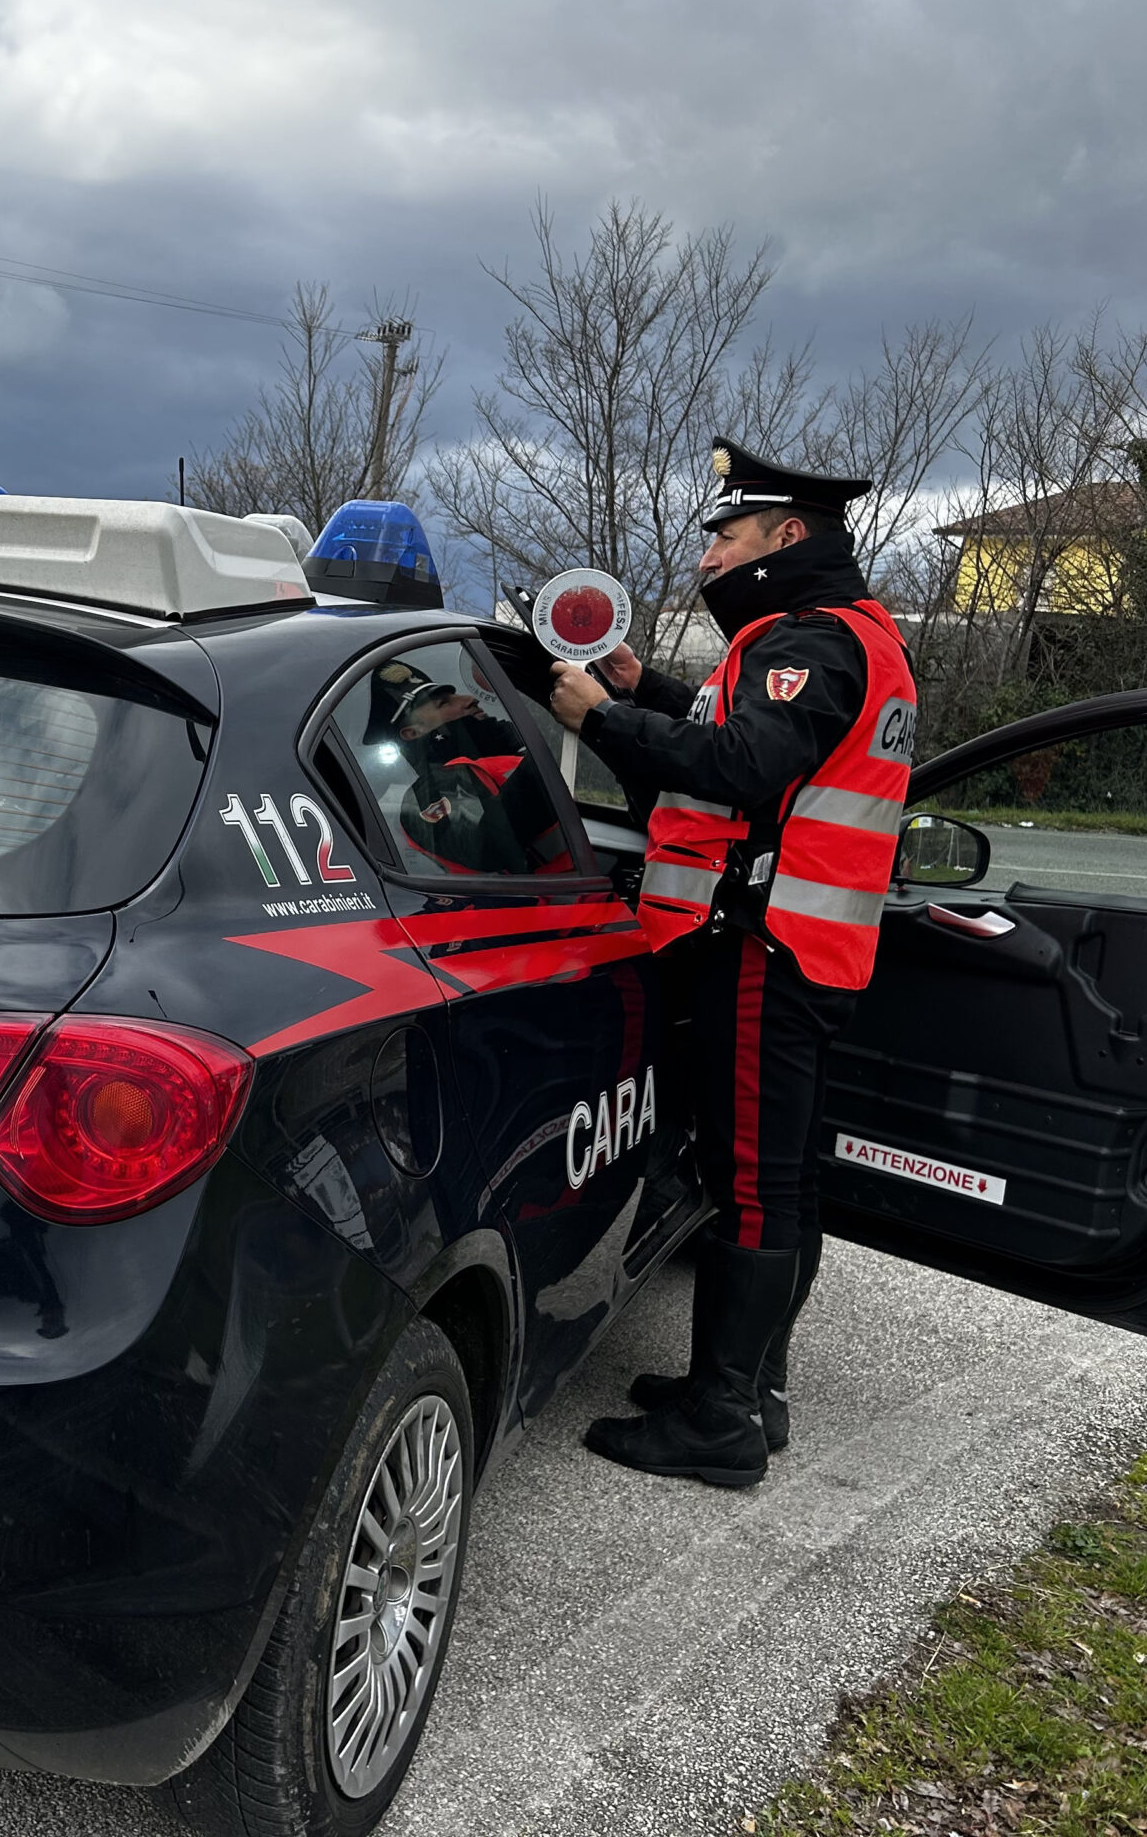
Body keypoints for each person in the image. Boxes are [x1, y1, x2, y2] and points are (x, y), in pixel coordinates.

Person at [544, 439, 918, 1487]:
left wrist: (603, 718)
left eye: (726, 534)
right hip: (807, 946)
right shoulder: (854, 639)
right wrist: (646, 686)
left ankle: (719, 1424)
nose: (709, 555)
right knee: (780, 1181)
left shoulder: (807, 639)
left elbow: (748, 767)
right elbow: (757, 740)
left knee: (751, 1184)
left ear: (785, 536)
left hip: (761, 946)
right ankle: (748, 1388)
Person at [371, 662, 568, 874]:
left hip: (573, 895)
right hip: (527, 903)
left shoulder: (500, 750)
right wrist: (546, 753)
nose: (469, 699)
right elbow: (486, 849)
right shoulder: (426, 795)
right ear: (413, 732)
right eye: (443, 703)